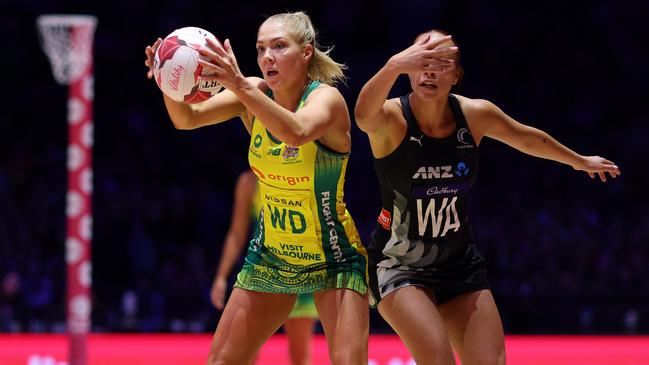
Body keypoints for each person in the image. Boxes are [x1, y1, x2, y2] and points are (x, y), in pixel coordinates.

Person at [354, 30, 621, 365]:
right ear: (409, 68)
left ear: (456, 75)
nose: (430, 71)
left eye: (441, 63)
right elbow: (363, 116)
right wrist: (392, 65)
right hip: (397, 263)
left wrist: (579, 161)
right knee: (437, 359)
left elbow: (526, 138)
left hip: (458, 263)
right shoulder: (393, 118)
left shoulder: (474, 115)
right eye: (422, 61)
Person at [145, 11, 369, 365]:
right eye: (261, 48)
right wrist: (168, 79)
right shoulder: (251, 92)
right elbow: (186, 119)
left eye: (279, 47)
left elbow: (295, 131)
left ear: (306, 52)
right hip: (271, 257)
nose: (267, 57)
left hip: (334, 258)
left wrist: (240, 86)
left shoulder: (326, 100)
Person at [210, 169, 318, 365]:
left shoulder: (302, 174)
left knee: (300, 356)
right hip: (263, 273)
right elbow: (236, 233)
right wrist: (221, 276)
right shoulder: (248, 183)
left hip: (303, 273)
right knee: (246, 354)